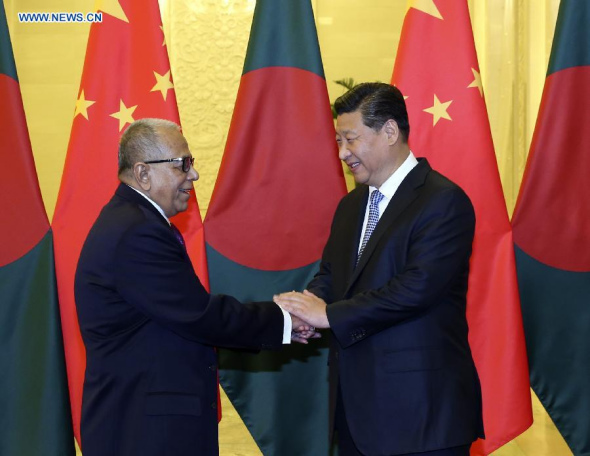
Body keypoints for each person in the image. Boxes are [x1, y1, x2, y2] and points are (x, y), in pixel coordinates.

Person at [74, 118, 316, 456]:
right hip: (145, 432)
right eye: (182, 165)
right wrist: (285, 320)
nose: (194, 175)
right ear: (143, 173)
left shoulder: (132, 222)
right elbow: (199, 314)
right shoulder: (135, 232)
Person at [275, 83, 484, 456]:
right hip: (356, 415)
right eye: (339, 141)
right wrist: (301, 310)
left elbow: (416, 288)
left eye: (350, 139)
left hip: (422, 418)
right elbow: (332, 276)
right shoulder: (351, 206)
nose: (342, 153)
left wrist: (328, 315)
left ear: (389, 132)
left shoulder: (443, 201)